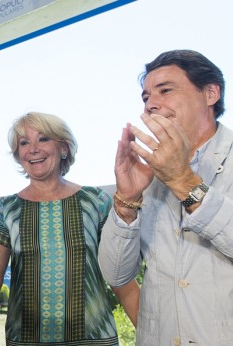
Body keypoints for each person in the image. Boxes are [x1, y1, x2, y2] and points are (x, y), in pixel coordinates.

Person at [98, 50, 233, 345]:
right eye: (146, 97)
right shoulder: (146, 172)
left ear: (211, 93)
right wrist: (126, 201)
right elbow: (115, 273)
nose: (151, 105)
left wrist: (181, 181)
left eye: (165, 90)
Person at [0, 112, 139, 345]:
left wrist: (151, 331)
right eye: (24, 143)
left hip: (95, 338)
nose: (33, 148)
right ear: (18, 155)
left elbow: (120, 276)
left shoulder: (96, 202)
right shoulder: (5, 209)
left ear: (64, 148)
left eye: (43, 139)